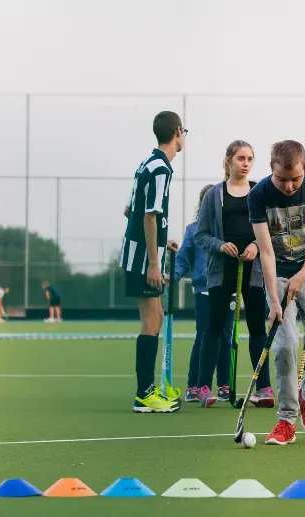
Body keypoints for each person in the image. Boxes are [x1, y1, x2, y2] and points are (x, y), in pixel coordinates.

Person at [248, 139, 305, 445]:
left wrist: (301, 276)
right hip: (278, 278)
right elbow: (267, 253)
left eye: (295, 179)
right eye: (282, 179)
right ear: (271, 170)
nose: (289, 187)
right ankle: (287, 419)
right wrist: (274, 299)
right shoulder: (258, 195)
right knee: (285, 348)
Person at [194, 140, 274, 408]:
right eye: (241, 158)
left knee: (256, 329)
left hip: (254, 269)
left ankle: (263, 388)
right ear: (228, 161)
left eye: (250, 158)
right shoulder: (213, 195)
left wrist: (255, 246)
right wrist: (220, 245)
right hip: (221, 269)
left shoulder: (260, 192)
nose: (246, 163)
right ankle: (204, 387)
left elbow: (271, 231)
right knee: (214, 328)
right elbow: (201, 235)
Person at [119, 110, 185, 413]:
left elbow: (129, 210)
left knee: (156, 317)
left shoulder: (148, 162)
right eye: (184, 132)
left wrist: (162, 240)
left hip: (145, 252)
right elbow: (148, 214)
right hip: (143, 259)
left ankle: (151, 389)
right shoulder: (161, 169)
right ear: (177, 133)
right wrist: (154, 263)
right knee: (150, 320)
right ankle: (144, 395)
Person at [175, 184, 235, 403]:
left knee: (226, 337)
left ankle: (224, 385)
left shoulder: (229, 230)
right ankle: (195, 385)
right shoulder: (193, 230)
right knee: (204, 335)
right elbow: (183, 259)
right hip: (204, 291)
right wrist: (172, 276)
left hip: (227, 290)